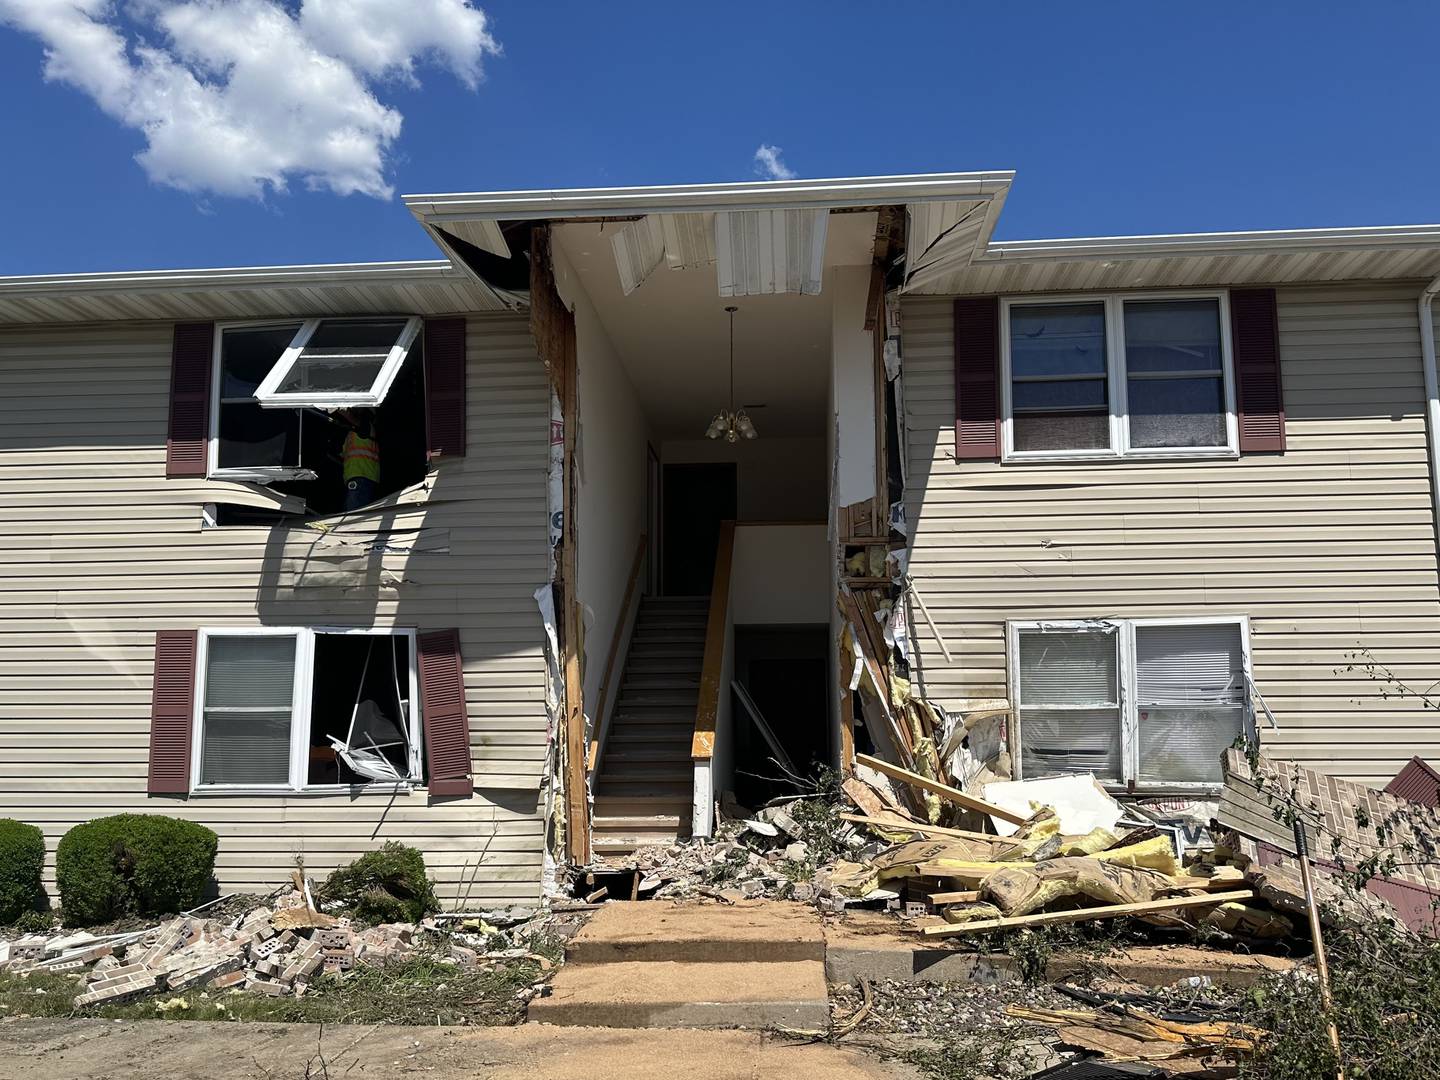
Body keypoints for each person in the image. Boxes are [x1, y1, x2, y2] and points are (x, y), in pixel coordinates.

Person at [341, 412, 381, 511]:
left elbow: (351, 418)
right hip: (360, 477)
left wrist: (337, 408)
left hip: (361, 477)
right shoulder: (352, 434)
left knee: (352, 515)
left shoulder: (366, 427)